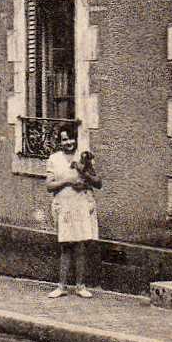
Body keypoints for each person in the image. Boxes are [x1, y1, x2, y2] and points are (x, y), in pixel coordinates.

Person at [46, 125, 101, 298]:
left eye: (71, 138)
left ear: (76, 139)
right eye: (64, 139)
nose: (68, 142)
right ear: (59, 142)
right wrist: (67, 182)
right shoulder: (54, 159)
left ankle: (80, 286)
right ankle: (61, 286)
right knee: (65, 246)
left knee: (80, 246)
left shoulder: (84, 157)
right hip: (64, 204)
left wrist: (83, 176)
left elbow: (98, 182)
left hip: (81, 203)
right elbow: (49, 186)